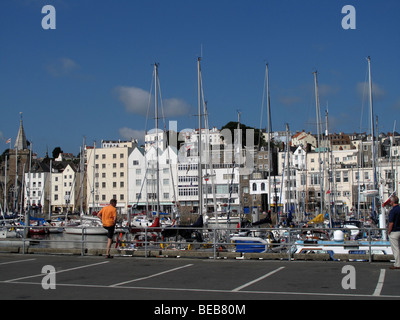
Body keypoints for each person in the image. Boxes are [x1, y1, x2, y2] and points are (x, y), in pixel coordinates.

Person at [388, 195, 400, 270]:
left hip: (395, 231)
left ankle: (398, 264)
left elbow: (391, 222)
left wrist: (389, 231)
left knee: (396, 249)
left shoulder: (393, 211)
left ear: (392, 202)